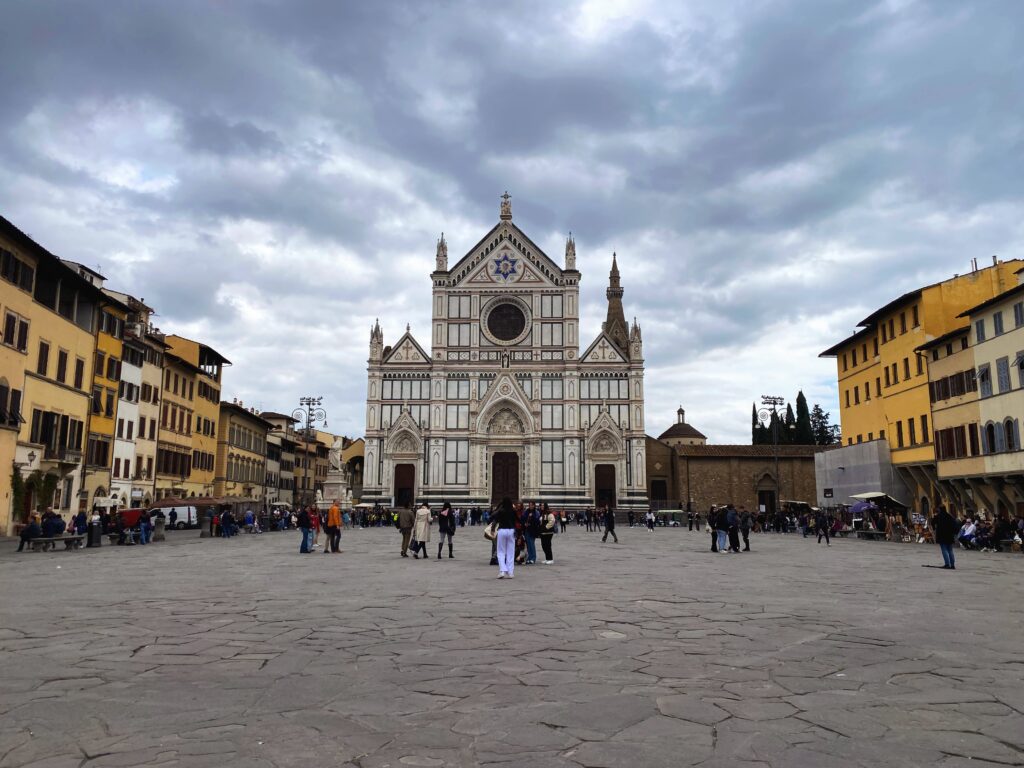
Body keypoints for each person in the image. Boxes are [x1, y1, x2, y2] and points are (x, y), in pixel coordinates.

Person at [495, 497, 517, 578]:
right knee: (510, 552)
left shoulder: (501, 511)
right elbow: (517, 520)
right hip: (511, 531)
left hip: (502, 531)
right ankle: (510, 572)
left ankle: (502, 571)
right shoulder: (513, 511)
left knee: (501, 551)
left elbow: (495, 518)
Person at [933, 505, 958, 569]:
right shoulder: (949, 516)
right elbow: (955, 525)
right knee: (950, 550)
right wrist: (954, 533)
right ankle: (952, 565)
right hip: (949, 535)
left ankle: (947, 564)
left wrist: (935, 517)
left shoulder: (938, 516)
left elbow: (932, 522)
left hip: (942, 535)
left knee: (944, 550)